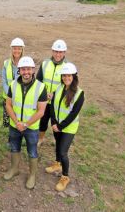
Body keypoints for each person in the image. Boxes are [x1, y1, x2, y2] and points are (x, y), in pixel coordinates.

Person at [4, 56, 47, 189]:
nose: (26, 72)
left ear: (33, 70)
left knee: (32, 151)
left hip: (31, 127)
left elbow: (41, 111)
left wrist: (26, 124)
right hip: (15, 125)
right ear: (19, 70)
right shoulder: (13, 84)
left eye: (28, 69)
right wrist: (17, 122)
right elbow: (8, 105)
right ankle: (14, 169)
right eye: (23, 69)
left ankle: (32, 175)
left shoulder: (40, 87)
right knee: (14, 147)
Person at [45, 63, 84, 192]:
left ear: (74, 76)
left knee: (63, 151)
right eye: (64, 75)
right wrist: (54, 122)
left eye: (69, 75)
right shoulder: (59, 87)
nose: (66, 78)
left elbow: (73, 114)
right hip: (57, 125)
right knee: (57, 144)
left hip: (68, 127)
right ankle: (57, 164)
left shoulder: (79, 94)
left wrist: (60, 126)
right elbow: (53, 106)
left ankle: (65, 176)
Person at [36, 39, 69, 147]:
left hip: (58, 101)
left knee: (57, 122)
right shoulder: (45, 64)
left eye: (60, 52)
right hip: (44, 100)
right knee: (43, 121)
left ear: (64, 52)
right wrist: (45, 93)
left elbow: (68, 85)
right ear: (52, 51)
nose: (58, 54)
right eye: (56, 51)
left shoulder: (67, 67)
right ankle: (41, 138)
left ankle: (56, 139)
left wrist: (55, 94)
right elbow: (39, 80)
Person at [1, 37, 25, 127]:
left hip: (21, 96)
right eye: (15, 48)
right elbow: (3, 80)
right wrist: (9, 94)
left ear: (22, 49)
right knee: (8, 118)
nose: (17, 51)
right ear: (12, 49)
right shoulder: (6, 63)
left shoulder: (25, 63)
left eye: (19, 48)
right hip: (8, 96)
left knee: (19, 118)